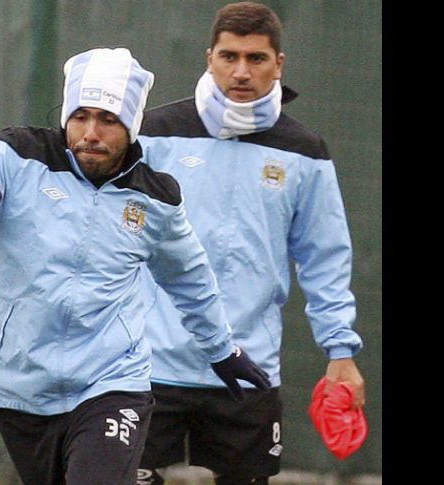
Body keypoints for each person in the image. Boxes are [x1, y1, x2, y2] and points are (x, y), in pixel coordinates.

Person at [0, 47, 270, 485]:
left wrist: (220, 350)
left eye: (108, 119)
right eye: (81, 116)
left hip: (113, 383)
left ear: (132, 125)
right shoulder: (13, 156)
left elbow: (189, 278)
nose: (91, 133)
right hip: (22, 390)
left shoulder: (157, 197)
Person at [135, 3, 366, 485]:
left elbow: (325, 259)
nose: (241, 71)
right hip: (148, 364)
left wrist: (340, 351)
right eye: (229, 56)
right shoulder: (152, 134)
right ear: (209, 58)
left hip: (248, 371)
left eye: (256, 58)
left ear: (278, 63)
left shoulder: (303, 151)